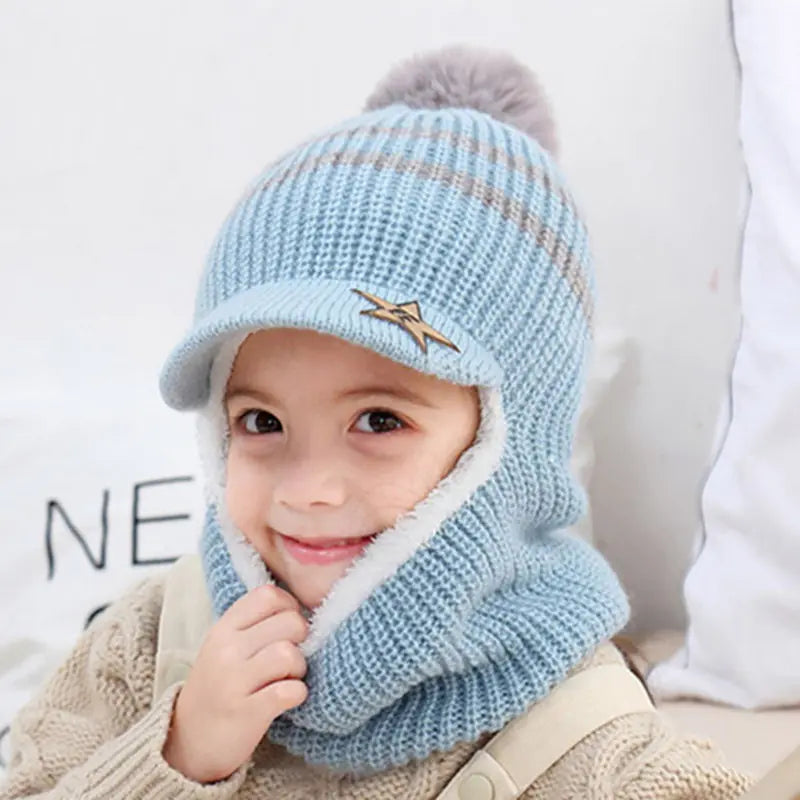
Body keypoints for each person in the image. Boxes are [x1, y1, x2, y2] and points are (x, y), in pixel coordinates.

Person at [0, 45, 752, 799]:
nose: (308, 490)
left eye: (380, 421)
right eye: (261, 420)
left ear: (508, 446)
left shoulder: (592, 746)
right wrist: (178, 755)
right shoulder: (149, 646)